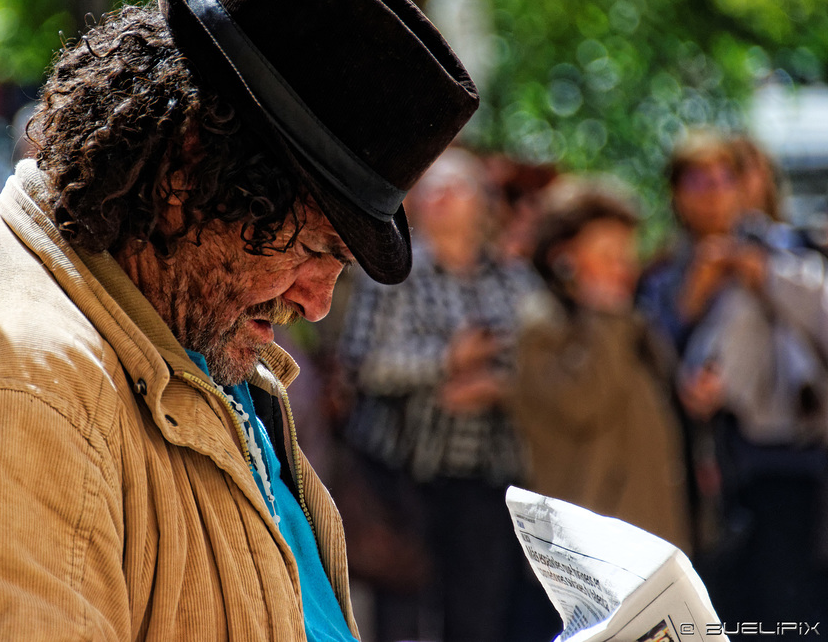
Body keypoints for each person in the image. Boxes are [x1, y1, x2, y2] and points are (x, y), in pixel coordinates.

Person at [0, 0, 478, 639]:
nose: (315, 303)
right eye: (314, 249)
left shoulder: (176, 323)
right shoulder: (14, 403)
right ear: (190, 171)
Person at [337, 146, 546, 642]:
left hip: (491, 484)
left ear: (483, 203)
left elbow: (542, 371)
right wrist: (447, 362)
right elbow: (365, 364)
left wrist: (499, 387)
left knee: (479, 619)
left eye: (452, 188)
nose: (437, 197)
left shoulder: (516, 281)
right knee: (404, 620)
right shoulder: (390, 274)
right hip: (403, 481)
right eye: (429, 190)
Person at [636, 129, 828, 624]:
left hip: (795, 460)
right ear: (677, 193)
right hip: (702, 467)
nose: (714, 192)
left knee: (793, 608)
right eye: (699, 180)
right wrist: (693, 297)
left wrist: (760, 273)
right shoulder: (662, 273)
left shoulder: (791, 250)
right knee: (722, 607)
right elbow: (650, 357)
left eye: (725, 178)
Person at [512, 186, 692, 552]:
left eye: (628, 254)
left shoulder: (630, 321)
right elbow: (583, 404)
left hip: (648, 536)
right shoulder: (542, 326)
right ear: (563, 258)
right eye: (608, 255)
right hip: (590, 553)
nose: (623, 267)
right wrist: (604, 317)